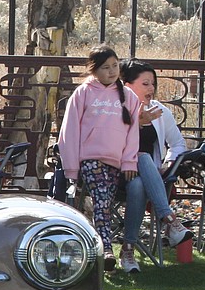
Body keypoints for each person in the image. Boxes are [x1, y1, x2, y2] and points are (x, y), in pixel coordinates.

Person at [58, 44, 141, 272]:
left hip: (116, 163)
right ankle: (105, 248)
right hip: (91, 160)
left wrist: (129, 162)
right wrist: (72, 169)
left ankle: (103, 248)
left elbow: (133, 133)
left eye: (115, 66)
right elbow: (70, 131)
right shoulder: (83, 93)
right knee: (102, 200)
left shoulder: (129, 96)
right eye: (105, 67)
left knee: (103, 201)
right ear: (94, 70)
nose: (112, 71)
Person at [118, 59, 193, 273]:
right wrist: (136, 122)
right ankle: (169, 219)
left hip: (149, 179)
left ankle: (128, 250)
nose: (151, 88)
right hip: (116, 174)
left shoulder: (160, 112)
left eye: (153, 83)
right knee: (141, 156)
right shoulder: (116, 110)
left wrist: (168, 163)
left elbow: (178, 144)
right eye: (145, 83)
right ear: (127, 85)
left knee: (139, 183)